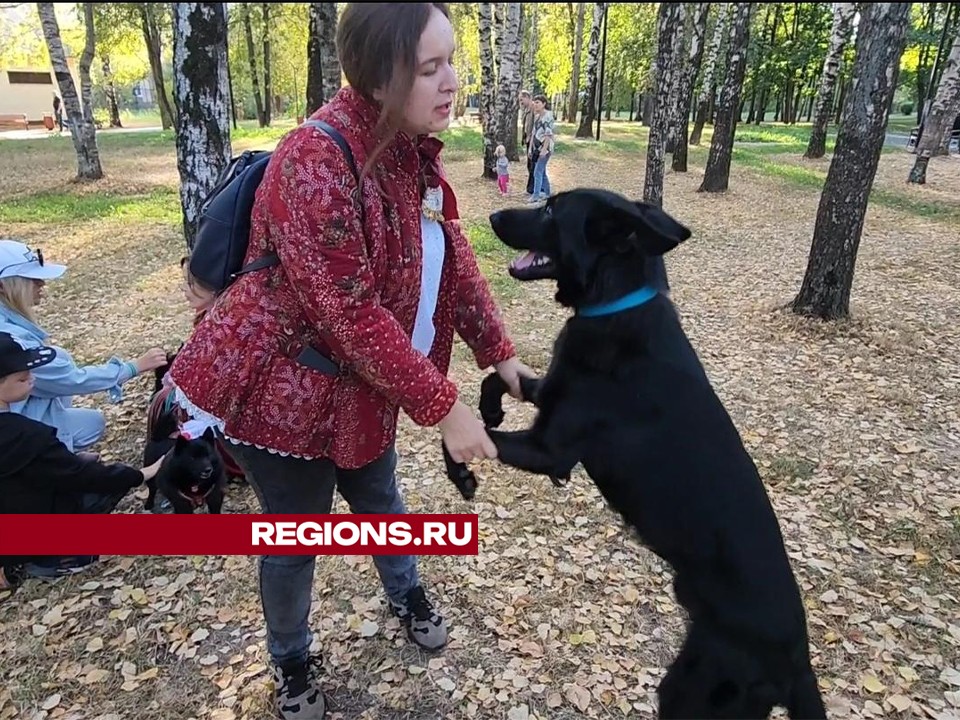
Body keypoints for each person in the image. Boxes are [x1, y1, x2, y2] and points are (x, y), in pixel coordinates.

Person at [167, 4, 533, 718]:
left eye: (453, 60)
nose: (452, 81)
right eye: (430, 68)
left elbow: (451, 259)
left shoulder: (410, 151)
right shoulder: (314, 160)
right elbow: (350, 311)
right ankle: (291, 661)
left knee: (380, 505)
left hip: (363, 396)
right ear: (377, 73)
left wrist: (501, 355)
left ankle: (407, 593)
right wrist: (446, 406)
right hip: (283, 399)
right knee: (295, 539)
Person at [0, 331, 165, 587]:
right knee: (95, 488)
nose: (32, 380)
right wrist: (140, 474)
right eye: (23, 378)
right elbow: (79, 475)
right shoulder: (26, 435)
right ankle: (55, 556)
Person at [0, 239, 168, 452]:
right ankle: (47, 461)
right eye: (31, 279)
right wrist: (132, 367)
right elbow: (71, 379)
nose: (41, 284)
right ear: (3, 286)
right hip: (11, 434)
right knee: (92, 423)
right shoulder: (13, 339)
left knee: (58, 358)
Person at [529, 95, 555, 203]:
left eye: (538, 102)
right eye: (534, 102)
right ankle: (548, 193)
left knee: (537, 171)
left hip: (545, 148)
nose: (535, 105)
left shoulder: (548, 117)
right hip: (537, 147)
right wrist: (530, 147)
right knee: (542, 171)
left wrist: (544, 150)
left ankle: (536, 195)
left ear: (544, 104)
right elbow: (534, 133)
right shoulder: (537, 116)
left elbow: (548, 134)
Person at [519, 90, 535, 195]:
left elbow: (534, 125)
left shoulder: (534, 108)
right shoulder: (526, 109)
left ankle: (532, 188)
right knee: (529, 165)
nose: (521, 102)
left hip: (533, 140)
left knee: (532, 165)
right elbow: (524, 124)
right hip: (528, 139)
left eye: (521, 99)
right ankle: (532, 188)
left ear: (527, 97)